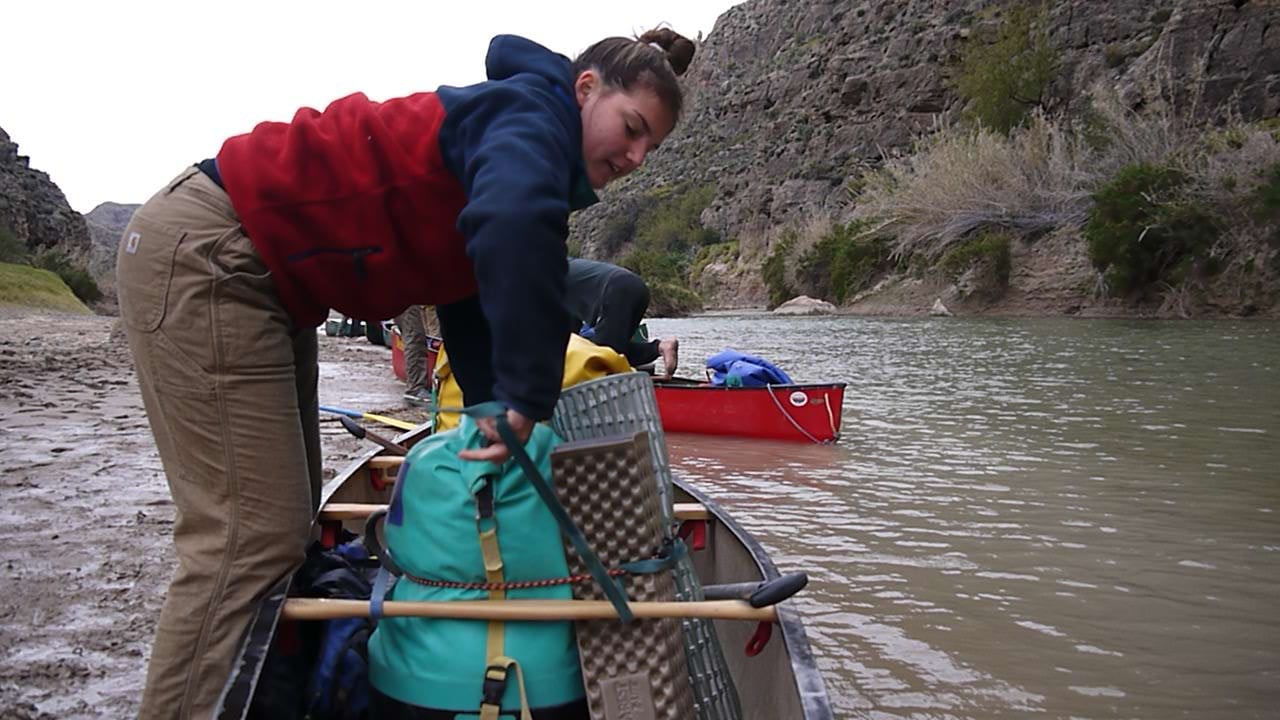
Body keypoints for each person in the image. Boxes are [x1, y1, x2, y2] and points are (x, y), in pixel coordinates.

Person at [114, 26, 694, 719]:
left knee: (286, 531)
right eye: (631, 129)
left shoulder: (518, 138)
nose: (634, 157)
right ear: (585, 88)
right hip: (215, 254)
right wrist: (530, 397)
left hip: (270, 283)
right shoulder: (531, 118)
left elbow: (469, 288)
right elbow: (512, 231)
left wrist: (495, 408)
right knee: (246, 543)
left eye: (648, 148)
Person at [565, 257, 679, 377]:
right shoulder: (562, 267)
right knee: (615, 351)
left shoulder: (551, 273)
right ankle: (660, 347)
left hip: (617, 290)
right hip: (636, 287)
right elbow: (571, 333)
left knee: (599, 357)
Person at [395, 304, 441, 406]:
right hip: (406, 295)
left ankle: (416, 387)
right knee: (415, 337)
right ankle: (415, 389)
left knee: (414, 336)